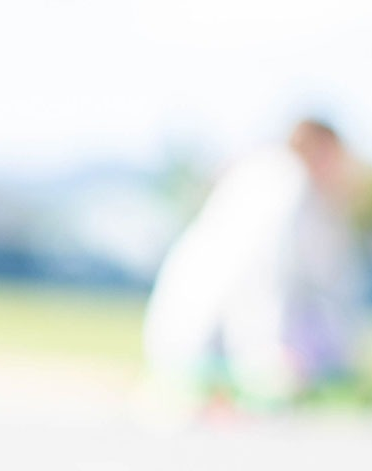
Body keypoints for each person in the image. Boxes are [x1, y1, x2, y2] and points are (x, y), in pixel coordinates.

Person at [143, 119, 363, 407]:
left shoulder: (265, 175)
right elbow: (261, 275)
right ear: (321, 150)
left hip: (177, 337)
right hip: (207, 345)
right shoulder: (286, 183)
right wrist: (265, 354)